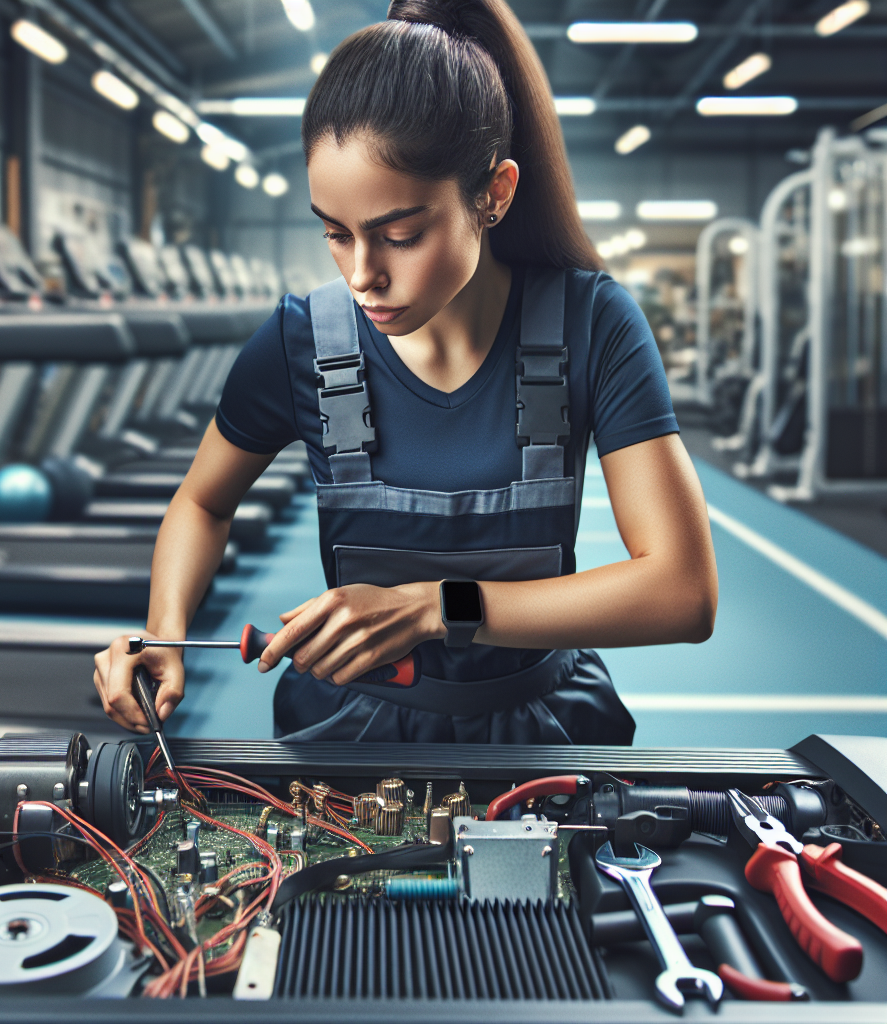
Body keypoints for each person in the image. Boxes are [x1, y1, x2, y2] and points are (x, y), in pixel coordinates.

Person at [94, 0, 717, 745]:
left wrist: (438, 607)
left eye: (399, 235)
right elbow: (201, 503)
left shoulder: (593, 324)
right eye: (335, 233)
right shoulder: (302, 340)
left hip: (545, 731)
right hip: (345, 735)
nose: (363, 274)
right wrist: (165, 628)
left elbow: (682, 591)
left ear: (495, 194)